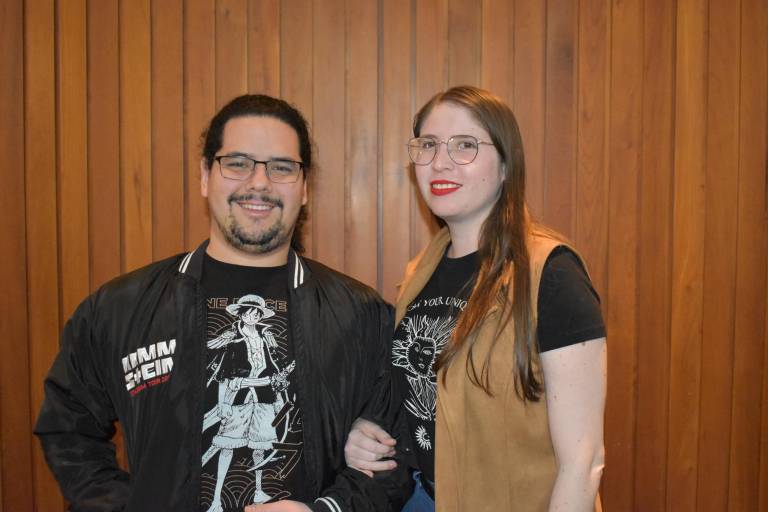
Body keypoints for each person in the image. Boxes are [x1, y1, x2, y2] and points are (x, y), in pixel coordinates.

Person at [34, 94, 410, 512]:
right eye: (238, 163)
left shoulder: (360, 315)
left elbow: (393, 457)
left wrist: (326, 510)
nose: (260, 183)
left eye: (281, 167)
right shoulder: (120, 308)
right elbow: (68, 428)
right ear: (205, 176)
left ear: (305, 187)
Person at [344, 86, 607, 511]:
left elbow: (584, 461)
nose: (440, 161)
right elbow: (418, 398)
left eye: (465, 145)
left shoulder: (551, 273)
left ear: (506, 165)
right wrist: (366, 431)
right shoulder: (419, 274)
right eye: (428, 145)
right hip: (422, 497)